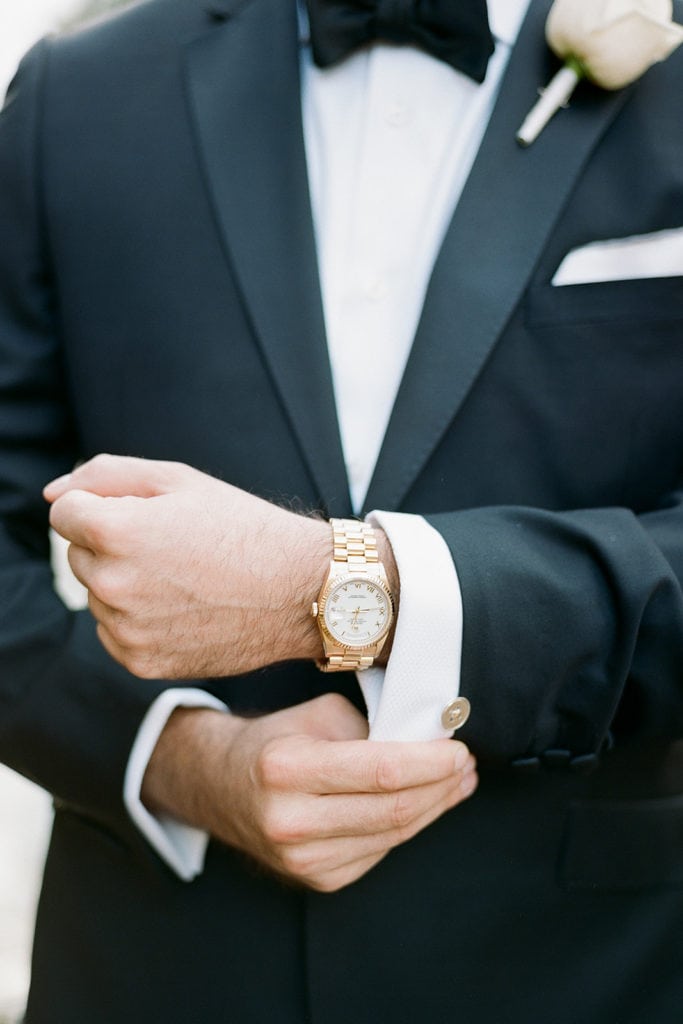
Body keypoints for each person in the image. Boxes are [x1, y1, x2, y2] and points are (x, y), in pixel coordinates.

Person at [0, 0, 682, 1020]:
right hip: (159, 972)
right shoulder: (79, 92)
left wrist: (341, 590)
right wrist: (178, 759)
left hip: (590, 969)